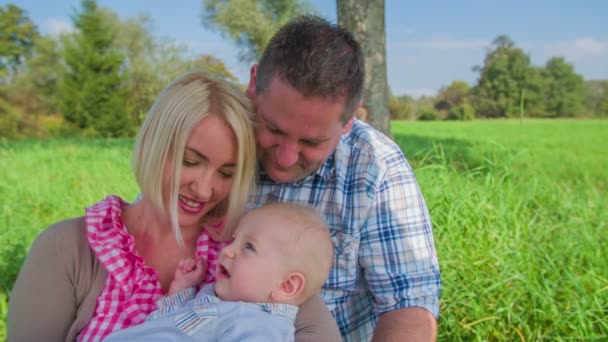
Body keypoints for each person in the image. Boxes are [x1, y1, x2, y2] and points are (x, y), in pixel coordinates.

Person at [8, 71, 341, 341]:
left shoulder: (253, 250)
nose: (205, 187)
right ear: (154, 141)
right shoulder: (68, 249)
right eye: (191, 161)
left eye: (227, 173)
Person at [245, 15, 442, 341]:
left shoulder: (376, 167)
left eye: (312, 142)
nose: (285, 158)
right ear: (253, 84)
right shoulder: (214, 136)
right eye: (273, 129)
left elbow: (409, 306)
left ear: (350, 120)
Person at [104, 202, 334, 341]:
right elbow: (171, 325)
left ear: (286, 286)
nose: (228, 250)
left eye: (248, 247)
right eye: (234, 240)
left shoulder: (260, 326)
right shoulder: (216, 297)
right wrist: (181, 291)